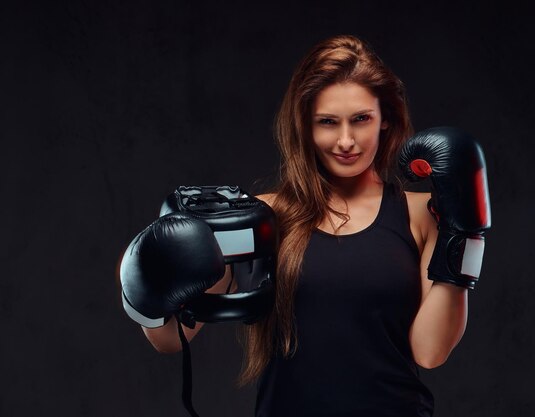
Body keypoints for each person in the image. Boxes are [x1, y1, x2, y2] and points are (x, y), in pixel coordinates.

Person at [138, 34, 483, 416]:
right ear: (306, 126)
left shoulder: (422, 215)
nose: (346, 140)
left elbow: (431, 351)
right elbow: (171, 338)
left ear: (386, 119)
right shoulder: (260, 216)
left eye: (361, 119)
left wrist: (463, 233)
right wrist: (146, 284)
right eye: (328, 122)